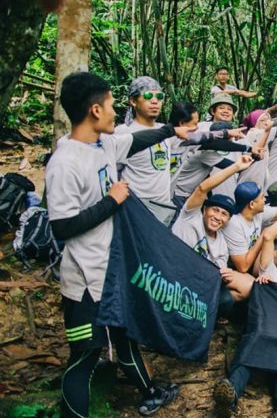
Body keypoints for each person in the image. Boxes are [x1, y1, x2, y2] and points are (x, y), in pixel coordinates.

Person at [46, 72, 187, 417]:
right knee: (84, 358)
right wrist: (112, 200)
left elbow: (137, 141)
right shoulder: (65, 162)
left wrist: (171, 131)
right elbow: (62, 226)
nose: (115, 112)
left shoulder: (104, 143)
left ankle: (149, 392)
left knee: (125, 337)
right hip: (84, 283)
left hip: (112, 270)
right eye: (111, 104)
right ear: (95, 109)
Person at [214, 202, 277, 418]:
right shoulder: (269, 272)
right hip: (264, 327)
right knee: (251, 347)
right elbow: (268, 236)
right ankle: (229, 394)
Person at [171, 155, 257, 316]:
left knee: (227, 299)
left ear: (228, 220)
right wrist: (236, 167)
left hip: (198, 283)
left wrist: (225, 276)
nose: (218, 217)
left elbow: (218, 273)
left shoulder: (221, 244)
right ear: (205, 210)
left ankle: (205, 318)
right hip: (174, 275)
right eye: (215, 210)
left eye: (224, 214)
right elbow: (202, 189)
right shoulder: (189, 218)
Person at [115, 76, 179, 225]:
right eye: (149, 96)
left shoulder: (164, 130)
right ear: (133, 101)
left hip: (164, 205)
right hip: (137, 206)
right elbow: (114, 172)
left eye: (160, 97)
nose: (155, 101)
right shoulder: (123, 133)